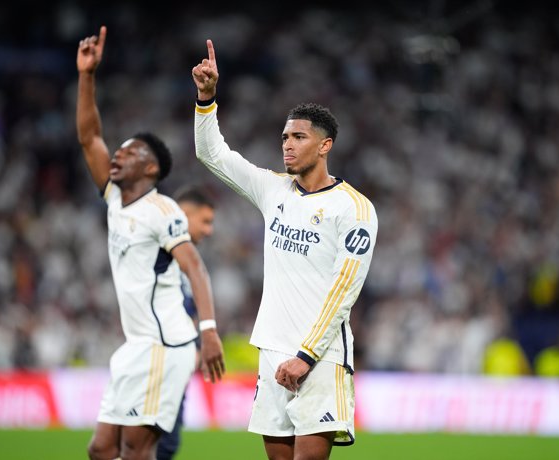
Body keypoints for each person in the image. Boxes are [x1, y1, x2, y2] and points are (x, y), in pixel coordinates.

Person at [192, 40, 378, 459]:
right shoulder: (274, 189)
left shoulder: (354, 208)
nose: (287, 145)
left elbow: (344, 290)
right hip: (271, 350)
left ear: (325, 145)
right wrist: (207, 99)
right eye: (284, 137)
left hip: (321, 356)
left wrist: (306, 356)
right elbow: (211, 153)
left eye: (299, 137)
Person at [77, 26, 225, 460]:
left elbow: (194, 266)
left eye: (130, 152)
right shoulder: (114, 199)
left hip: (165, 347)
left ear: (151, 168)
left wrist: (209, 331)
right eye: (118, 151)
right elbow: (89, 138)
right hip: (135, 347)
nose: (118, 155)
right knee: (101, 449)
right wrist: (87, 76)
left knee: (137, 452)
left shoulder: (163, 210)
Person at [156, 186, 216, 460]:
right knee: (151, 444)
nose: (209, 230)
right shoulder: (159, 252)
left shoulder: (187, 260)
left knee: (165, 445)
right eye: (205, 221)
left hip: (175, 366)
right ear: (184, 214)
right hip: (158, 363)